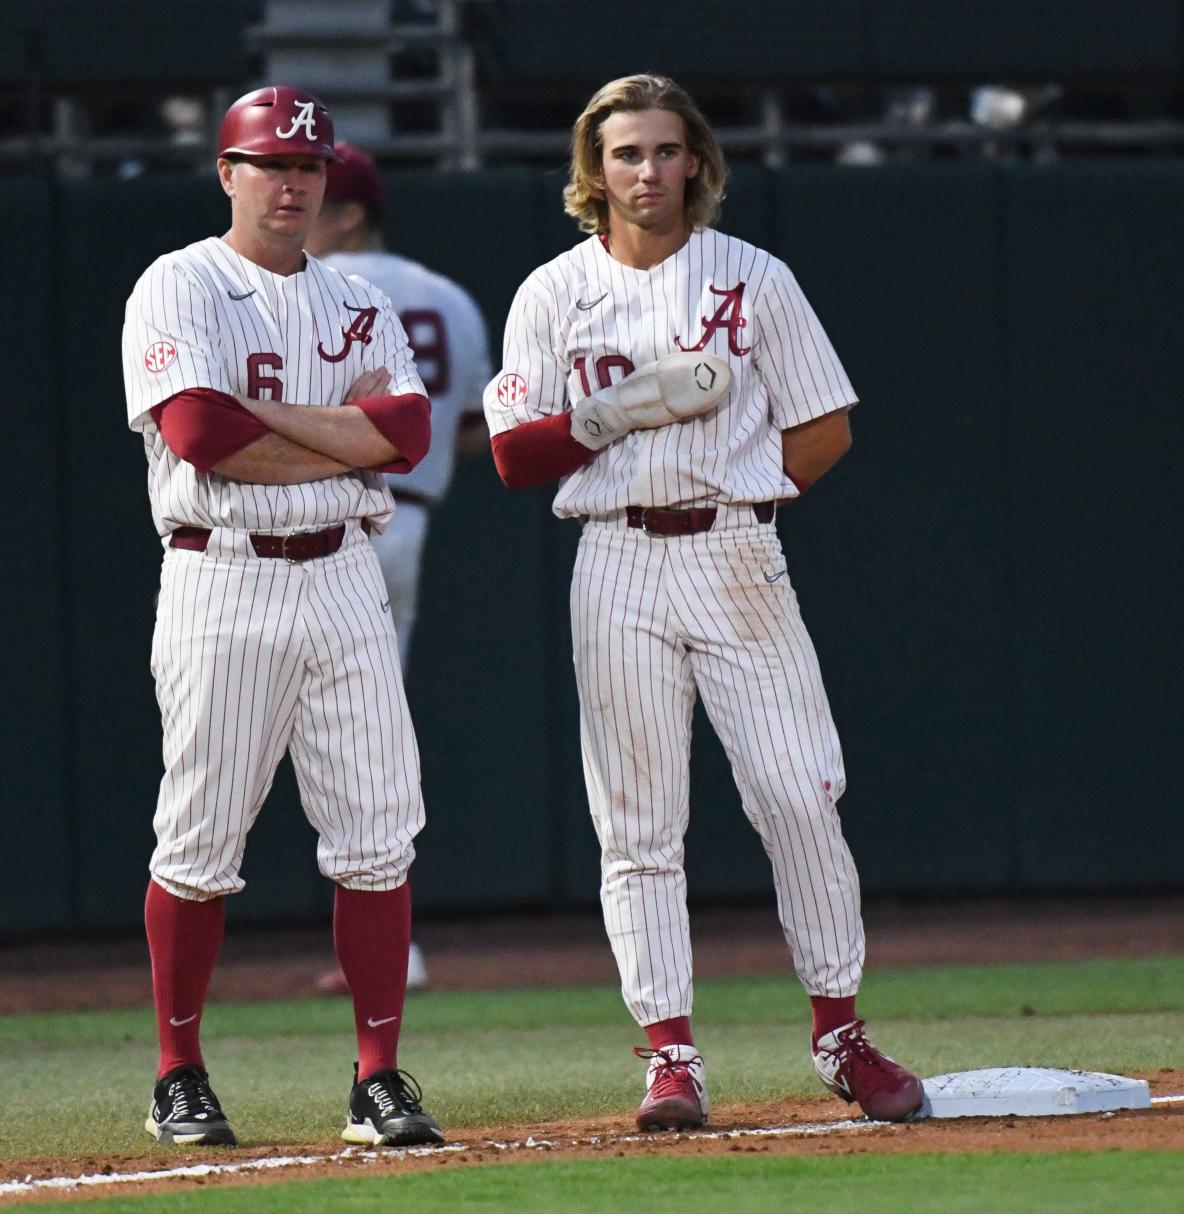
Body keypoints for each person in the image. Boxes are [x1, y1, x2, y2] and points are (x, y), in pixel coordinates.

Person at [482, 74, 925, 1131]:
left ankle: (841, 1034)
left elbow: (826, 425)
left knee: (797, 791)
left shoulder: (754, 277)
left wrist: (748, 488)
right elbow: (509, 454)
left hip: (733, 547)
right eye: (625, 152)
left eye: (665, 150)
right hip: (616, 553)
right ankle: (670, 1054)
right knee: (637, 823)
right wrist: (609, 415)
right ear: (594, 169)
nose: (646, 170)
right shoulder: (553, 290)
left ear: (697, 163)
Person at [121, 85, 444, 1149]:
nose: (293, 184)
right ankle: (178, 1068)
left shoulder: (355, 297)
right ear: (228, 174)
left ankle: (380, 1074)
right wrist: (336, 435)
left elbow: (404, 431)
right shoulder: (181, 282)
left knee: (377, 835)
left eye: (309, 168)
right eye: (270, 165)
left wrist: (283, 422)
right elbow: (200, 431)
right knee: (202, 835)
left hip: (343, 572)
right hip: (224, 575)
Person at [303, 143, 493, 996]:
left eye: (310, 194)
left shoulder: (310, 291)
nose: (292, 205)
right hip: (405, 523)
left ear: (347, 212)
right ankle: (386, 944)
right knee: (360, 733)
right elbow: (474, 430)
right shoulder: (447, 296)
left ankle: (390, 949)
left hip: (332, 517)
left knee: (345, 739)